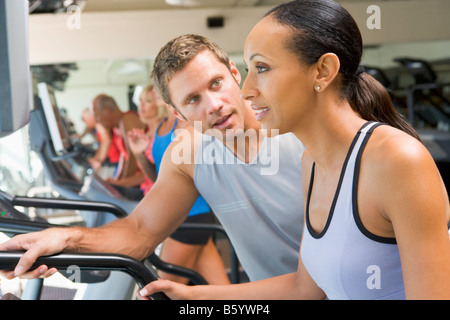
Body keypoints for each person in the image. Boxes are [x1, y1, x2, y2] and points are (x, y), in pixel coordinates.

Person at [140, 0, 450, 300]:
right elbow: (305, 290)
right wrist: (192, 295)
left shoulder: (398, 161)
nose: (246, 90)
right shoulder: (311, 164)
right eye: (249, 69)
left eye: (262, 68)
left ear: (322, 71)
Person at [0, 34, 305, 287]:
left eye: (216, 83)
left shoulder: (299, 128)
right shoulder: (187, 154)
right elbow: (140, 232)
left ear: (234, 74)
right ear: (177, 113)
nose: (214, 105)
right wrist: (64, 238)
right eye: (193, 99)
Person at [128, 85, 230, 285]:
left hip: (190, 218)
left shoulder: (183, 125)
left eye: (159, 91)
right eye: (152, 94)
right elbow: (160, 177)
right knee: (221, 290)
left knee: (161, 292)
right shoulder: (160, 128)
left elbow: (195, 172)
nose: (155, 95)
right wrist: (140, 154)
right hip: (181, 219)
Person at [90, 94, 147, 200]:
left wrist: (120, 184)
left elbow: (132, 159)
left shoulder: (127, 120)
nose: (97, 121)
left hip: (145, 181)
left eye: (97, 116)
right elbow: (124, 157)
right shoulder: (116, 128)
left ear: (107, 111)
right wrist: (116, 181)